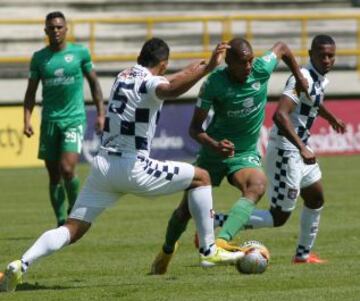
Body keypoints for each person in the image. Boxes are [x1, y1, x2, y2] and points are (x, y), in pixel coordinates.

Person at [0, 37, 244, 293]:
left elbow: (168, 80)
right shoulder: (153, 83)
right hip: (133, 167)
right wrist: (205, 70)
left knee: (71, 228)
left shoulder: (123, 75)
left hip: (103, 167)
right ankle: (209, 250)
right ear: (162, 64)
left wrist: (201, 66)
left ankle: (21, 263)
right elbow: (168, 88)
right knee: (202, 177)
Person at [151, 37, 309, 274]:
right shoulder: (214, 83)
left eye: (251, 61)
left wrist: (298, 76)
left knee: (257, 184)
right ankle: (166, 250)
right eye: (243, 63)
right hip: (213, 153)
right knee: (184, 212)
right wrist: (214, 145)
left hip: (243, 152)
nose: (248, 67)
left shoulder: (260, 69)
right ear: (228, 62)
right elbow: (194, 129)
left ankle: (222, 241)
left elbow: (282, 47)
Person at [231, 34, 345, 263]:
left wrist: (331, 117)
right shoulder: (300, 77)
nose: (327, 60)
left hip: (299, 150)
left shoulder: (319, 78)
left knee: (315, 198)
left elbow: (312, 101)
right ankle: (218, 222)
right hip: (286, 150)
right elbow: (280, 116)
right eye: (321, 55)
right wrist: (302, 147)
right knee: (279, 216)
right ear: (311, 55)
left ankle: (302, 256)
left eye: (331, 56)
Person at [23, 11, 105, 227]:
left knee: (67, 169)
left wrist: (101, 114)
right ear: (46, 31)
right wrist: (27, 119)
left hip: (74, 119)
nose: (56, 31)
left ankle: (75, 209)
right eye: (51, 28)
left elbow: (94, 84)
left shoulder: (80, 53)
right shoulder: (39, 58)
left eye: (59, 27)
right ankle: (61, 221)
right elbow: (31, 92)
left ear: (66, 29)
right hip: (49, 120)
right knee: (53, 175)